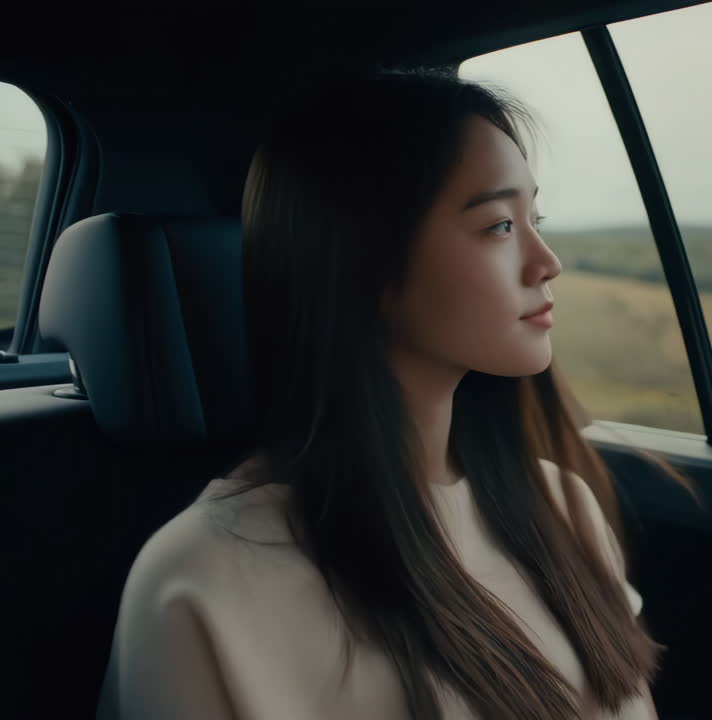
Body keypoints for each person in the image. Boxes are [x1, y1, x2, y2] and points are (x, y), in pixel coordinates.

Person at [97, 69, 679, 719]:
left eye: (533, 217)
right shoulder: (204, 579)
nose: (547, 261)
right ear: (361, 260)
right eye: (498, 227)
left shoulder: (561, 506)